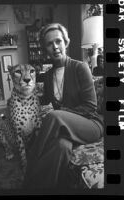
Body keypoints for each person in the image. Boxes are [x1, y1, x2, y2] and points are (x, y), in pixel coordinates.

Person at [23, 23, 104, 189]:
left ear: (65, 42)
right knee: (62, 146)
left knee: (54, 116)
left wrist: (60, 113)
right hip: (65, 129)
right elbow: (45, 101)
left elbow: (91, 107)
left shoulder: (80, 68)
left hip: (90, 125)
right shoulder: (47, 76)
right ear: (45, 48)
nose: (55, 46)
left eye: (58, 41)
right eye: (49, 44)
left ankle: (28, 174)